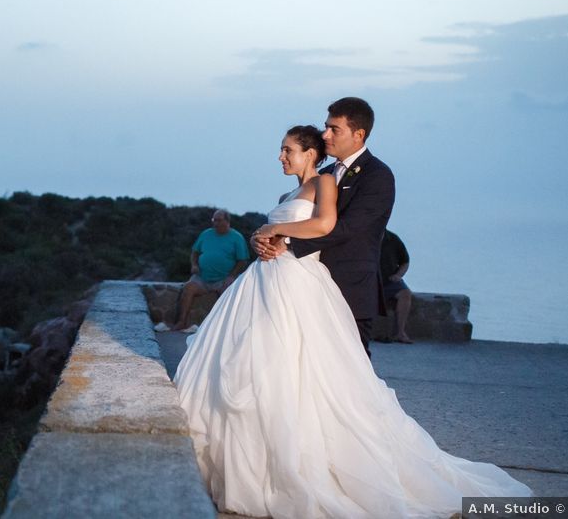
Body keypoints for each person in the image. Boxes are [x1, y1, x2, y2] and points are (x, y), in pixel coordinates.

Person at [174, 123, 531, 518]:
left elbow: (324, 224)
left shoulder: (325, 183)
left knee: (294, 369)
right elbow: (282, 232)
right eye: (281, 150)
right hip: (262, 283)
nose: (281, 156)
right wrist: (261, 236)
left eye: (287, 149)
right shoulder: (285, 193)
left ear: (310, 153)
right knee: (249, 364)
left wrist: (275, 229)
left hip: (298, 283)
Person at [255, 97, 391, 357]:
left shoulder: (377, 175)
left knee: (349, 366)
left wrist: (285, 242)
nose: (325, 135)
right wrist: (262, 239)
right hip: (307, 282)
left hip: (349, 285)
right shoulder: (323, 174)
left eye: (334, 129)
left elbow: (349, 228)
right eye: (326, 127)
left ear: (358, 134)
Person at [170, 209, 248, 332]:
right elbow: (195, 252)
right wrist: (194, 265)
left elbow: (242, 260)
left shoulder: (236, 237)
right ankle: (181, 322)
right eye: (214, 220)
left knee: (229, 294)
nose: (215, 223)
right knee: (188, 288)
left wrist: (231, 276)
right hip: (202, 277)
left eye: (218, 220)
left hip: (223, 278)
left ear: (227, 221)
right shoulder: (206, 234)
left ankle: (225, 328)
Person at [380, 228, 414, 343]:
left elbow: (405, 261)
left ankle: (400, 333)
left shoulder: (393, 239)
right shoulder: (364, 236)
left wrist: (398, 275)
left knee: (405, 293)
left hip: (389, 281)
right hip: (369, 282)